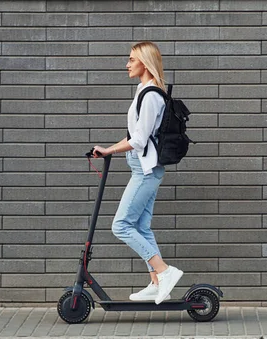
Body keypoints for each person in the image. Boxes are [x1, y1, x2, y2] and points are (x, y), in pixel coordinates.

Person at [92, 41, 183, 305]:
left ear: (145, 61)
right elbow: (134, 134)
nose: (127, 64)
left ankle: (165, 271)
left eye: (132, 59)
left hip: (146, 171)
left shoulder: (152, 94)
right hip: (141, 168)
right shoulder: (143, 90)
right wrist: (109, 148)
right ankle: (156, 283)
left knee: (121, 225)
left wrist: (109, 150)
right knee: (141, 226)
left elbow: (140, 140)